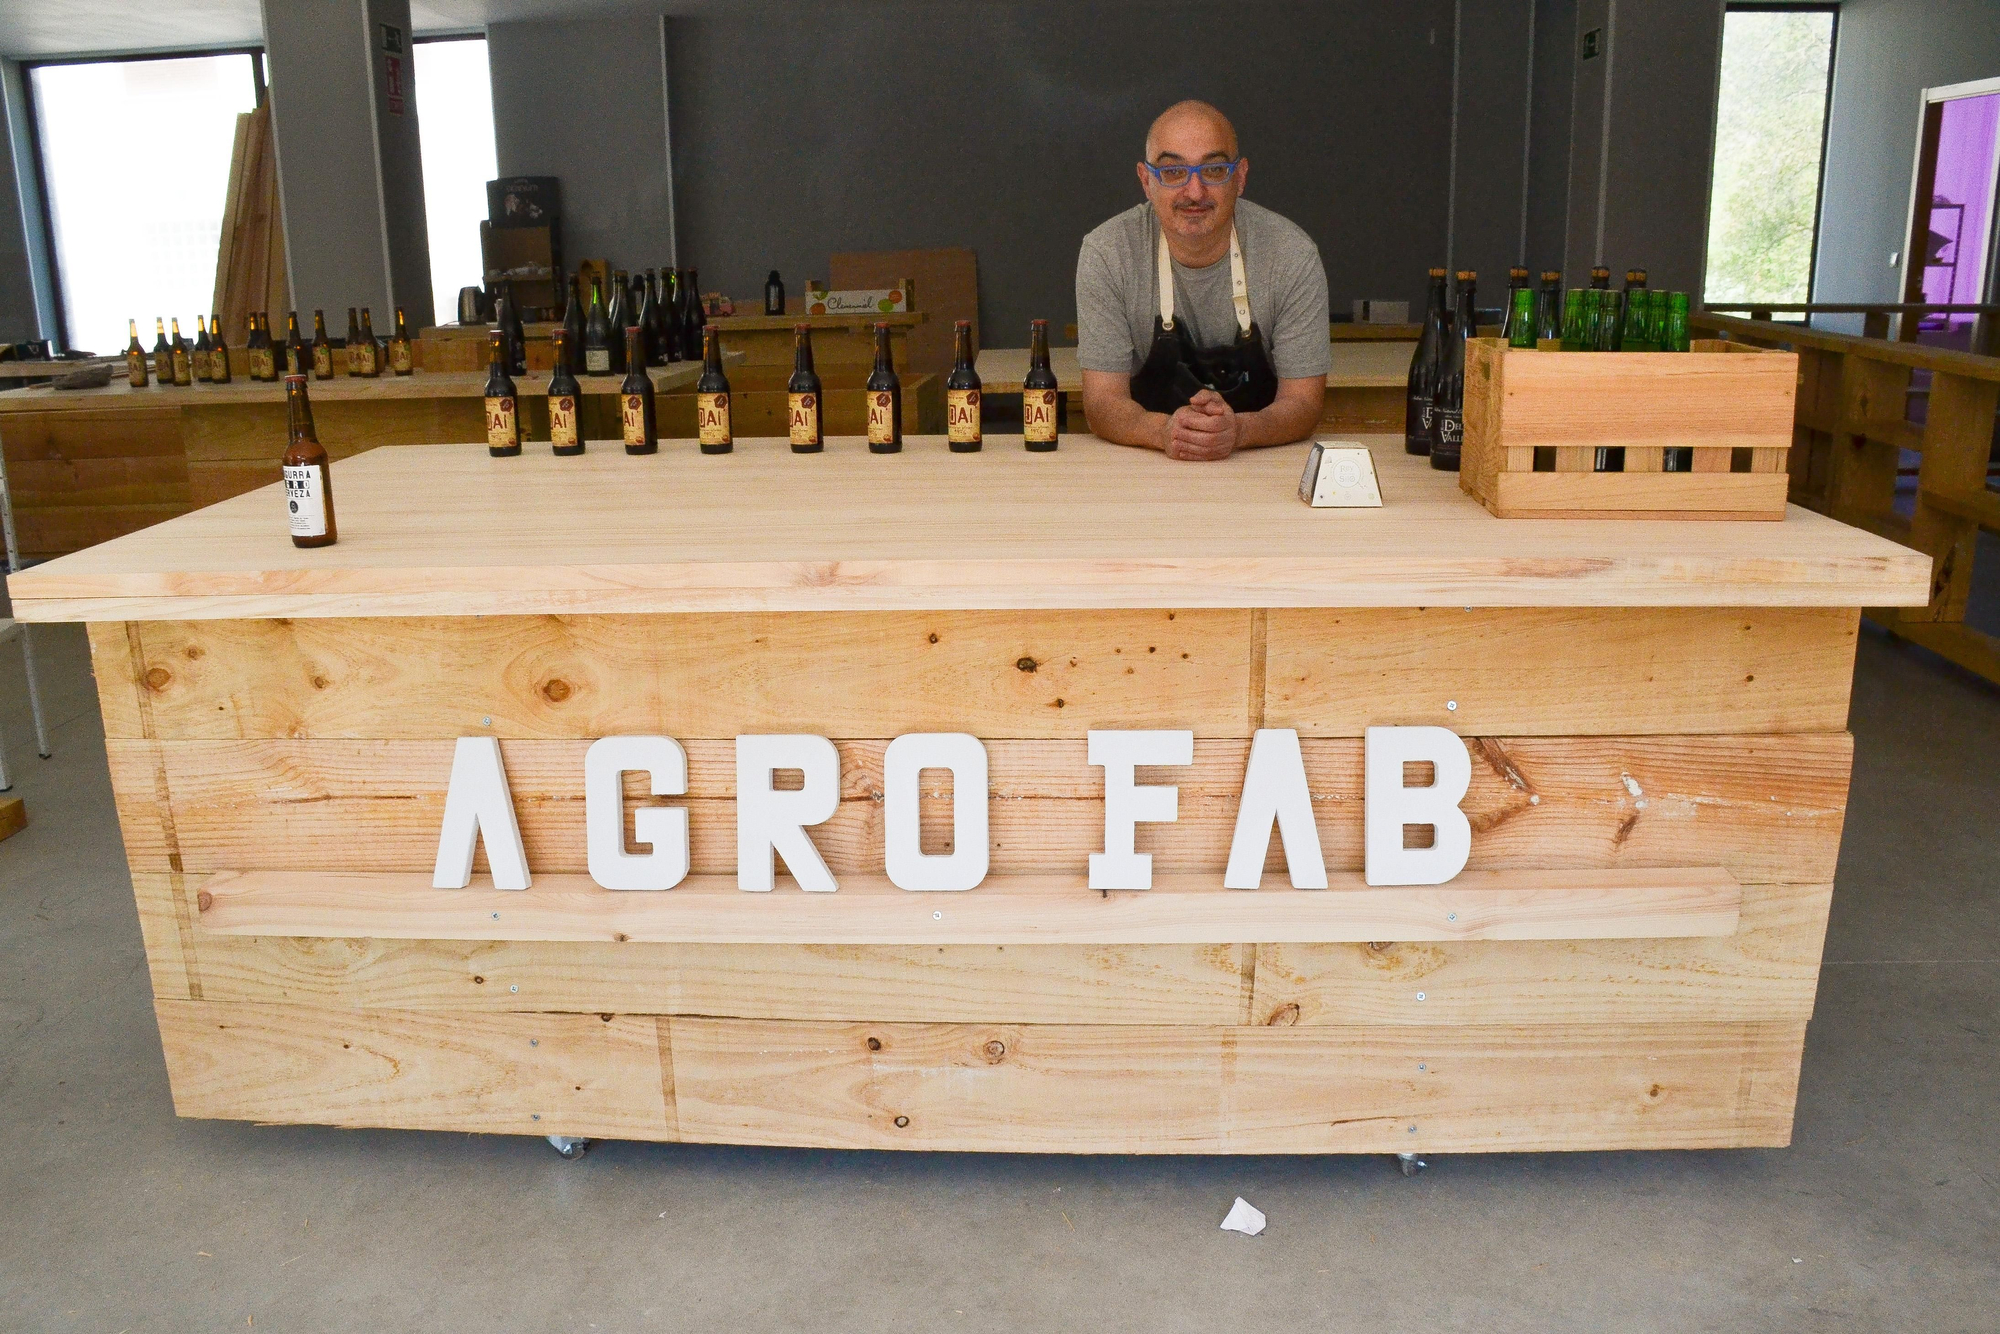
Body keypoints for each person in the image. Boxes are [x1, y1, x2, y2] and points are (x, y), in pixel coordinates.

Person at [1076, 100, 1330, 460]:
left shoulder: (1291, 255)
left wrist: (1240, 431)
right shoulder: (1108, 253)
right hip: (1145, 466)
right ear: (1146, 181)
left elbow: (1303, 403)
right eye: (1173, 172)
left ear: (1240, 177)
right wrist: (1164, 431)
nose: (1194, 192)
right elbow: (1102, 402)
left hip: (1259, 468)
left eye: (1213, 170)